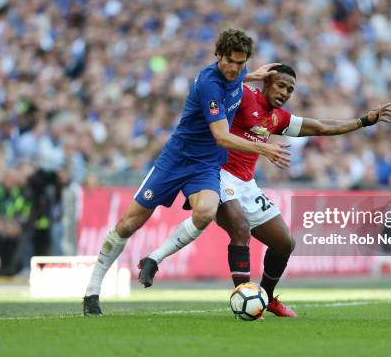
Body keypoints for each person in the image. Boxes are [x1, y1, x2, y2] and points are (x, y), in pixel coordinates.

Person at [139, 64, 391, 316]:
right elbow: (214, 84)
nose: (284, 93)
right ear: (267, 83)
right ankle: (243, 299)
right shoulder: (244, 97)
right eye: (281, 85)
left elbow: (319, 127)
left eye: (290, 90)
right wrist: (245, 76)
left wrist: (363, 121)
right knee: (239, 229)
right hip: (218, 174)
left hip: (247, 184)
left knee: (284, 243)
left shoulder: (278, 118)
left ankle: (267, 298)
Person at [83, 29, 291, 316]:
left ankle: (154, 259)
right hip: (175, 160)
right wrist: (264, 149)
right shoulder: (208, 83)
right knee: (128, 225)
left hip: (205, 166)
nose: (234, 68)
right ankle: (92, 291)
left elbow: (236, 78)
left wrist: (251, 74)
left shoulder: (237, 76)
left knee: (205, 212)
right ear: (218, 56)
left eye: (241, 63)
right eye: (230, 61)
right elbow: (221, 136)